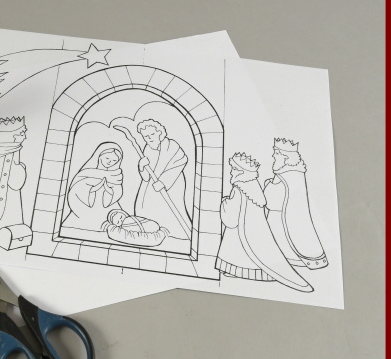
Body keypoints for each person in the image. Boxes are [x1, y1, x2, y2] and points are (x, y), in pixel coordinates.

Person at [215, 153, 313, 292]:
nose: (231, 172)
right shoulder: (253, 185)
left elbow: (231, 216)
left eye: (234, 169)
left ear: (241, 171)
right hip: (248, 228)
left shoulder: (239, 188)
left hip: (239, 230)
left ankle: (236, 271)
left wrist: (225, 202)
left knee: (237, 251)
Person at [264, 139, 328, 269]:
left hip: (282, 221)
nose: (273, 155)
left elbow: (273, 199)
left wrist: (268, 187)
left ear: (285, 157)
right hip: (274, 219)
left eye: (276, 152)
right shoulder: (282, 174)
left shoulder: (290, 176)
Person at [134, 119, 191, 240]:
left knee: (171, 209)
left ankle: (177, 234)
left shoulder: (172, 146)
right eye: (146, 136)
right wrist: (141, 167)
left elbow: (180, 162)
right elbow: (146, 177)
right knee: (148, 206)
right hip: (151, 186)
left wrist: (164, 182)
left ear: (160, 133)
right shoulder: (147, 149)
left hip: (172, 184)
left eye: (152, 134)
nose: (149, 138)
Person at [62, 143, 123, 231]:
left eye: (114, 160)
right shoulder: (87, 172)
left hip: (106, 208)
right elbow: (77, 188)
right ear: (99, 156)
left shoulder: (116, 175)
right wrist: (92, 188)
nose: (110, 162)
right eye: (107, 158)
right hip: (85, 207)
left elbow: (117, 192)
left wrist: (109, 190)